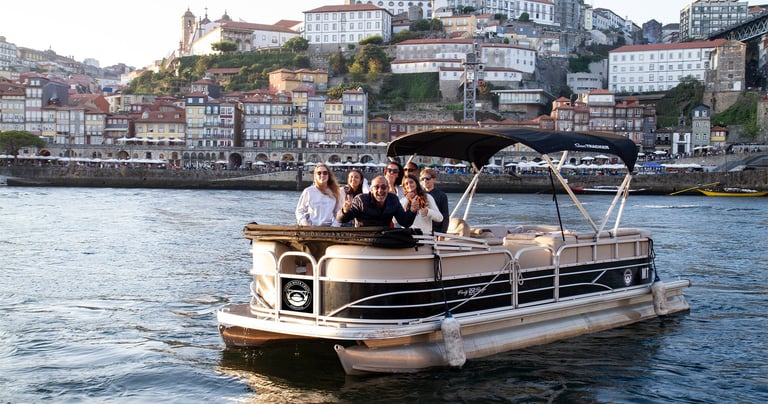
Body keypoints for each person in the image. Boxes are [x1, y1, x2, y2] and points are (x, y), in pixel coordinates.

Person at [337, 175, 419, 228]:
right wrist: (345, 211)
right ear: (371, 189)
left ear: (388, 189)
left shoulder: (393, 199)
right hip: (363, 237)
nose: (380, 190)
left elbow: (405, 223)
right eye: (376, 187)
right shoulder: (361, 200)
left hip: (384, 238)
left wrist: (412, 210)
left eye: (383, 187)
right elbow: (341, 220)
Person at [420, 167, 449, 233]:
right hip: (422, 229)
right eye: (422, 179)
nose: (425, 180)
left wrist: (443, 233)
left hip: (436, 230)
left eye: (427, 178)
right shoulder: (418, 195)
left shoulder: (441, 195)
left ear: (434, 179)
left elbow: (445, 216)